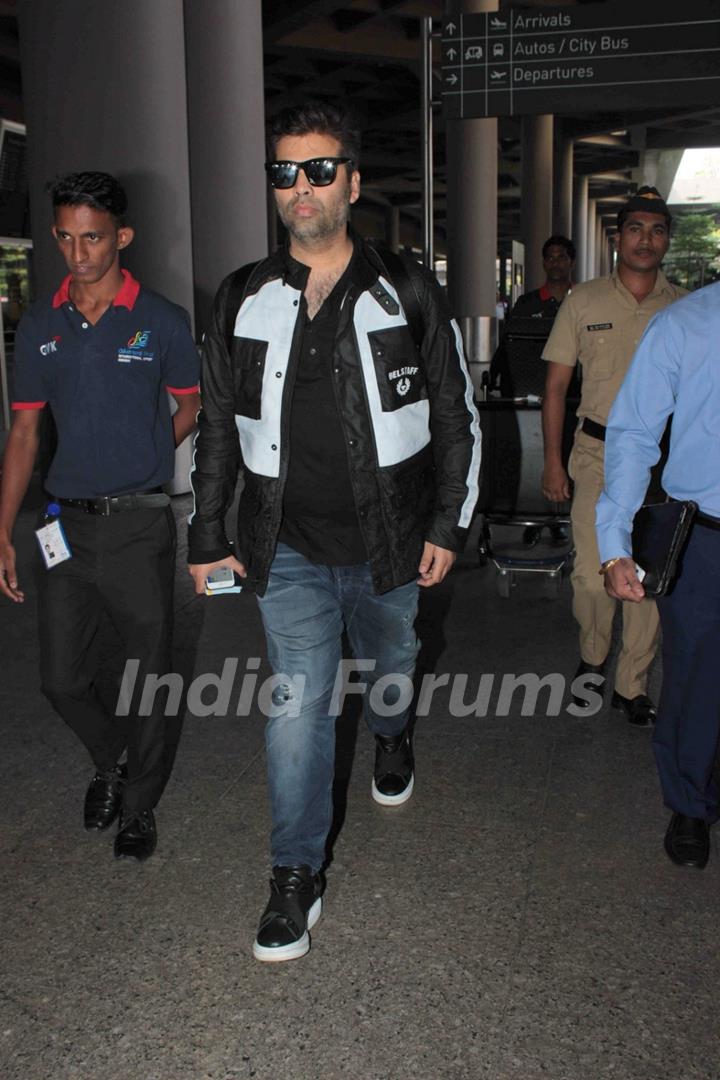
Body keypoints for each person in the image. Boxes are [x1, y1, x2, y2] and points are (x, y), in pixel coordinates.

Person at [187, 101, 481, 962]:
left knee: (393, 669)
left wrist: (448, 524)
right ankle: (293, 877)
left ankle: (392, 732)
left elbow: (456, 417)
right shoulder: (243, 296)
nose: (301, 188)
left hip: (393, 543)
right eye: (285, 172)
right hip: (285, 548)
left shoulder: (407, 290)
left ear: (353, 183)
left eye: (319, 170)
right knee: (298, 707)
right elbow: (216, 428)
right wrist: (209, 532)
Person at [0, 172, 201, 861]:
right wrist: (3, 529)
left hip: (140, 525)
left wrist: (151, 449)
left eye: (92, 237)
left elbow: (191, 404)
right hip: (63, 526)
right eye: (65, 236)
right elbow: (24, 432)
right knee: (60, 676)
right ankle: (112, 758)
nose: (78, 252)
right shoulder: (40, 326)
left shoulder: (163, 320)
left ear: (122, 236)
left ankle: (138, 804)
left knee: (145, 675)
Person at [541, 187, 686, 725]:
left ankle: (632, 683)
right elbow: (555, 388)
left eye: (656, 230)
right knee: (589, 572)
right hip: (596, 453)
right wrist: (553, 462)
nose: (645, 240)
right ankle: (594, 653)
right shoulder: (584, 302)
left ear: (666, 240)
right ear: (617, 237)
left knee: (647, 574)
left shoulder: (684, 308)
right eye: (635, 229)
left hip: (663, 464)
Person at [596, 280, 720, 869]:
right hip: (704, 536)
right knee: (696, 677)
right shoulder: (685, 324)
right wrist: (615, 542)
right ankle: (690, 803)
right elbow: (634, 432)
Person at [491, 235, 576, 546]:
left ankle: (560, 517)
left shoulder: (581, 301)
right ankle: (539, 515)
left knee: (567, 457)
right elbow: (508, 351)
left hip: (573, 400)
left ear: (571, 262)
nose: (555, 262)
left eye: (561, 257)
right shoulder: (527, 304)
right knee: (536, 457)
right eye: (550, 257)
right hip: (532, 397)